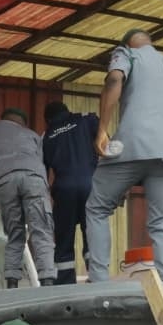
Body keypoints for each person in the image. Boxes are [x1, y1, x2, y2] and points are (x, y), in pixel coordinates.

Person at [84, 29, 163, 283]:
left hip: (130, 144)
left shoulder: (126, 54)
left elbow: (114, 80)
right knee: (161, 222)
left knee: (97, 207)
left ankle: (99, 281)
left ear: (126, 43)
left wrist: (102, 129)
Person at [0, 107, 57, 288]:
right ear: (22, 123)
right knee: (42, 231)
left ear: (4, 119)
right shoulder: (33, 136)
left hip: (3, 181)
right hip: (33, 179)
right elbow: (42, 167)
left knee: (15, 234)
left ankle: (12, 285)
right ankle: (47, 283)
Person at [42, 102, 98, 285]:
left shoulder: (46, 136)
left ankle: (65, 284)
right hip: (91, 186)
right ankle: (97, 277)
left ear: (48, 120)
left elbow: (42, 173)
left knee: (64, 239)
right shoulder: (86, 119)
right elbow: (107, 144)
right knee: (92, 232)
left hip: (64, 191)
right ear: (67, 111)